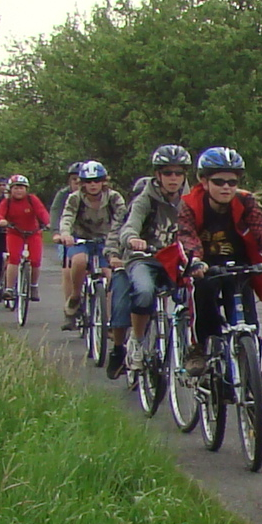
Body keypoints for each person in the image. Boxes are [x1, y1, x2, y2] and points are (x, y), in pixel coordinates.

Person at [175, 146, 262, 438]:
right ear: (204, 181)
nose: (226, 188)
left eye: (232, 182)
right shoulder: (190, 203)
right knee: (202, 297)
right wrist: (195, 260)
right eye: (219, 181)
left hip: (238, 266)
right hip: (205, 266)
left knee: (250, 334)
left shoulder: (246, 203)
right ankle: (200, 347)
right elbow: (186, 234)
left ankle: (257, 411)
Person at [109, 146, 194, 377]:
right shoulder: (145, 198)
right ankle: (136, 342)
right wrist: (133, 239)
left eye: (178, 173)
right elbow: (130, 225)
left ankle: (194, 347)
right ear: (158, 175)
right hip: (144, 258)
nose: (173, 179)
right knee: (145, 291)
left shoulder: (189, 200)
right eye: (168, 173)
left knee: (195, 292)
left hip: (176, 258)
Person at [55, 161, 121, 328]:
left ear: (104, 181)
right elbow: (68, 216)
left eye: (97, 181)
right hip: (81, 239)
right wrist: (65, 234)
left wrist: (119, 239)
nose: (93, 185)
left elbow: (122, 219)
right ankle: (76, 296)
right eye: (88, 181)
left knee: (110, 275)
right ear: (82, 183)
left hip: (107, 241)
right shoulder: (75, 198)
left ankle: (111, 319)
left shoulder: (114, 197)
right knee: (79, 261)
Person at [0, 173, 50, 301]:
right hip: (15, 232)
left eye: (21, 188)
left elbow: (42, 211)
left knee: (36, 260)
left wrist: (48, 222)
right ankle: (9, 288)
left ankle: (33, 286)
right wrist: (1, 220)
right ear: (11, 189)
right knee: (13, 258)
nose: (19, 190)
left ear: (26, 189)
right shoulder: (7, 202)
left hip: (33, 232)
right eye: (15, 188)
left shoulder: (32, 199)